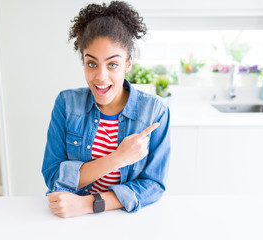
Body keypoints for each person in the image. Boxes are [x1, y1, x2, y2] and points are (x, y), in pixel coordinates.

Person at [42, 1, 171, 218]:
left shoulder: (154, 112)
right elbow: (54, 175)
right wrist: (117, 158)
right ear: (83, 61)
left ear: (128, 63)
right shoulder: (66, 104)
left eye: (112, 64)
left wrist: (89, 204)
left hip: (122, 218)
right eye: (92, 63)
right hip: (69, 219)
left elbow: (154, 185)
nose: (101, 77)